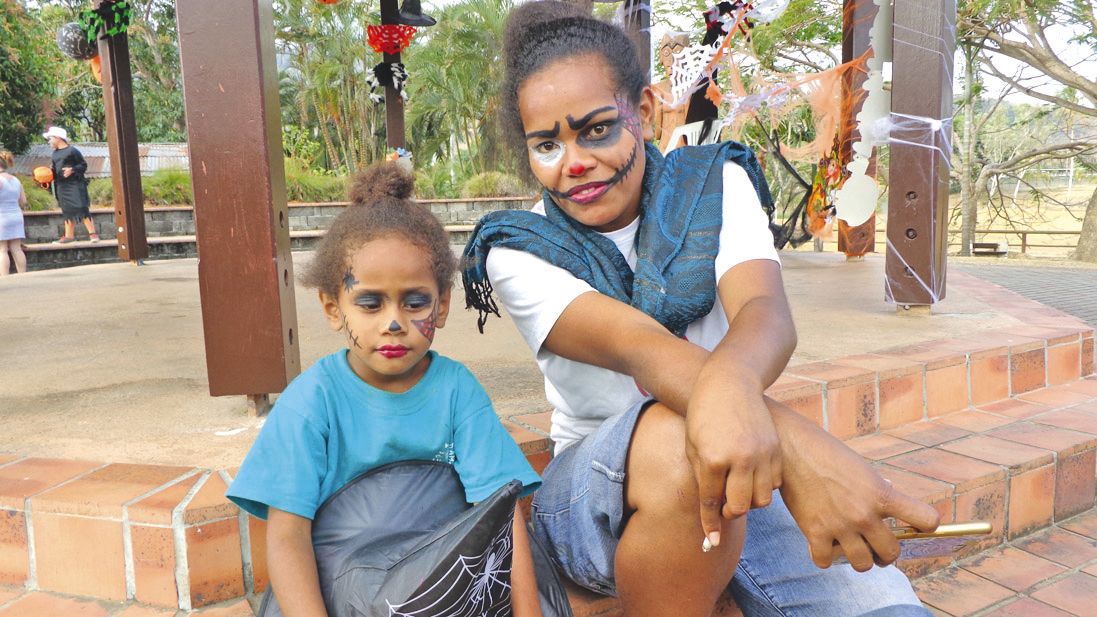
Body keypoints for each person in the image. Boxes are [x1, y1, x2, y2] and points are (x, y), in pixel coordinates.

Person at [461, 3, 940, 615]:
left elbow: (764, 311)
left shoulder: (716, 182)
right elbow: (649, 354)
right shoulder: (517, 249)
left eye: (598, 129)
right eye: (547, 144)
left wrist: (778, 451)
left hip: (736, 456)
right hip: (593, 500)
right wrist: (806, 453)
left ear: (646, 110)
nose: (574, 162)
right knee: (670, 434)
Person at [226, 163, 543, 617]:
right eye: (370, 303)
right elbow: (287, 536)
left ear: (443, 304)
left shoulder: (456, 392)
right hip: (340, 598)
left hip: (441, 596)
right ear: (333, 309)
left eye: (415, 302)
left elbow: (502, 516)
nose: (393, 323)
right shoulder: (311, 402)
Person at [43, 126, 99, 244]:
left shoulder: (72, 151)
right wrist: (47, 174)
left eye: (50, 138)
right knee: (67, 209)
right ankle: (69, 236)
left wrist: (72, 170)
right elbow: (54, 170)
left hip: (75, 184)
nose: (49, 141)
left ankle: (93, 234)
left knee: (81, 207)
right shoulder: (55, 154)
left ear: (58, 138)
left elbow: (83, 165)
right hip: (62, 185)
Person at [0, 150, 28, 275]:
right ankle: (23, 275)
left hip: (2, 216)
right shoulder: (16, 180)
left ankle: (4, 278)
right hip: (16, 216)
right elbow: (23, 201)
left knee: (2, 250)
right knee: (16, 248)